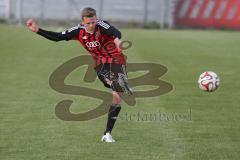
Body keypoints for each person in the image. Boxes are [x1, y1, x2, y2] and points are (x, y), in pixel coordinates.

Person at [26, 7, 132, 143]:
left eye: (93, 22)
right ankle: (118, 84)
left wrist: (117, 39)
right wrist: (38, 30)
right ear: (83, 22)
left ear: (96, 19)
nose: (91, 25)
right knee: (113, 85)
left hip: (117, 60)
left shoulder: (101, 25)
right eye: (88, 23)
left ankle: (107, 133)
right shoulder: (78, 31)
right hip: (100, 63)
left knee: (117, 98)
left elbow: (115, 31)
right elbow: (58, 37)